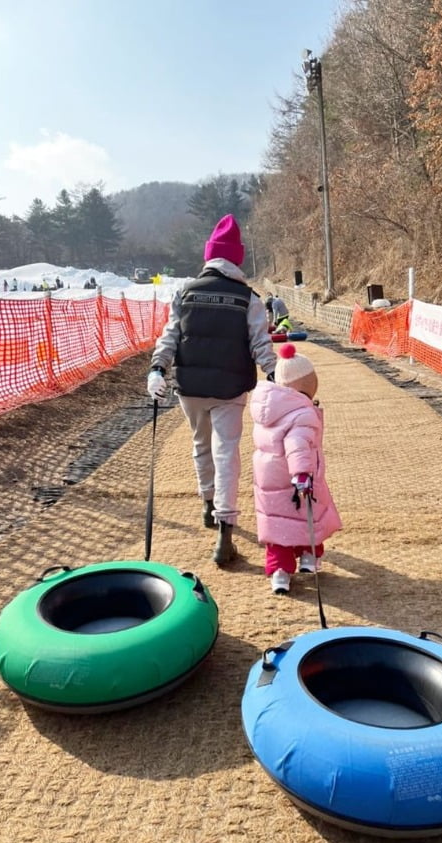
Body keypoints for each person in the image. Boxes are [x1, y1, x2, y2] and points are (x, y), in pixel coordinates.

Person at [147, 214, 277, 566]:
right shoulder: (247, 298)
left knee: (200, 446)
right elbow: (261, 345)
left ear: (208, 256)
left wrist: (158, 369)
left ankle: (207, 504)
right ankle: (225, 533)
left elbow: (170, 335)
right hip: (231, 387)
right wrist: (275, 374)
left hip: (190, 387)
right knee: (227, 455)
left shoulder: (185, 292)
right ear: (236, 258)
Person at [249, 343, 341, 594]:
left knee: (277, 527)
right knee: (309, 517)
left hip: (268, 478)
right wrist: (302, 473)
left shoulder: (267, 408)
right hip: (296, 479)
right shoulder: (302, 412)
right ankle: (310, 557)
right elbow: (297, 444)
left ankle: (280, 573)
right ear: (305, 387)